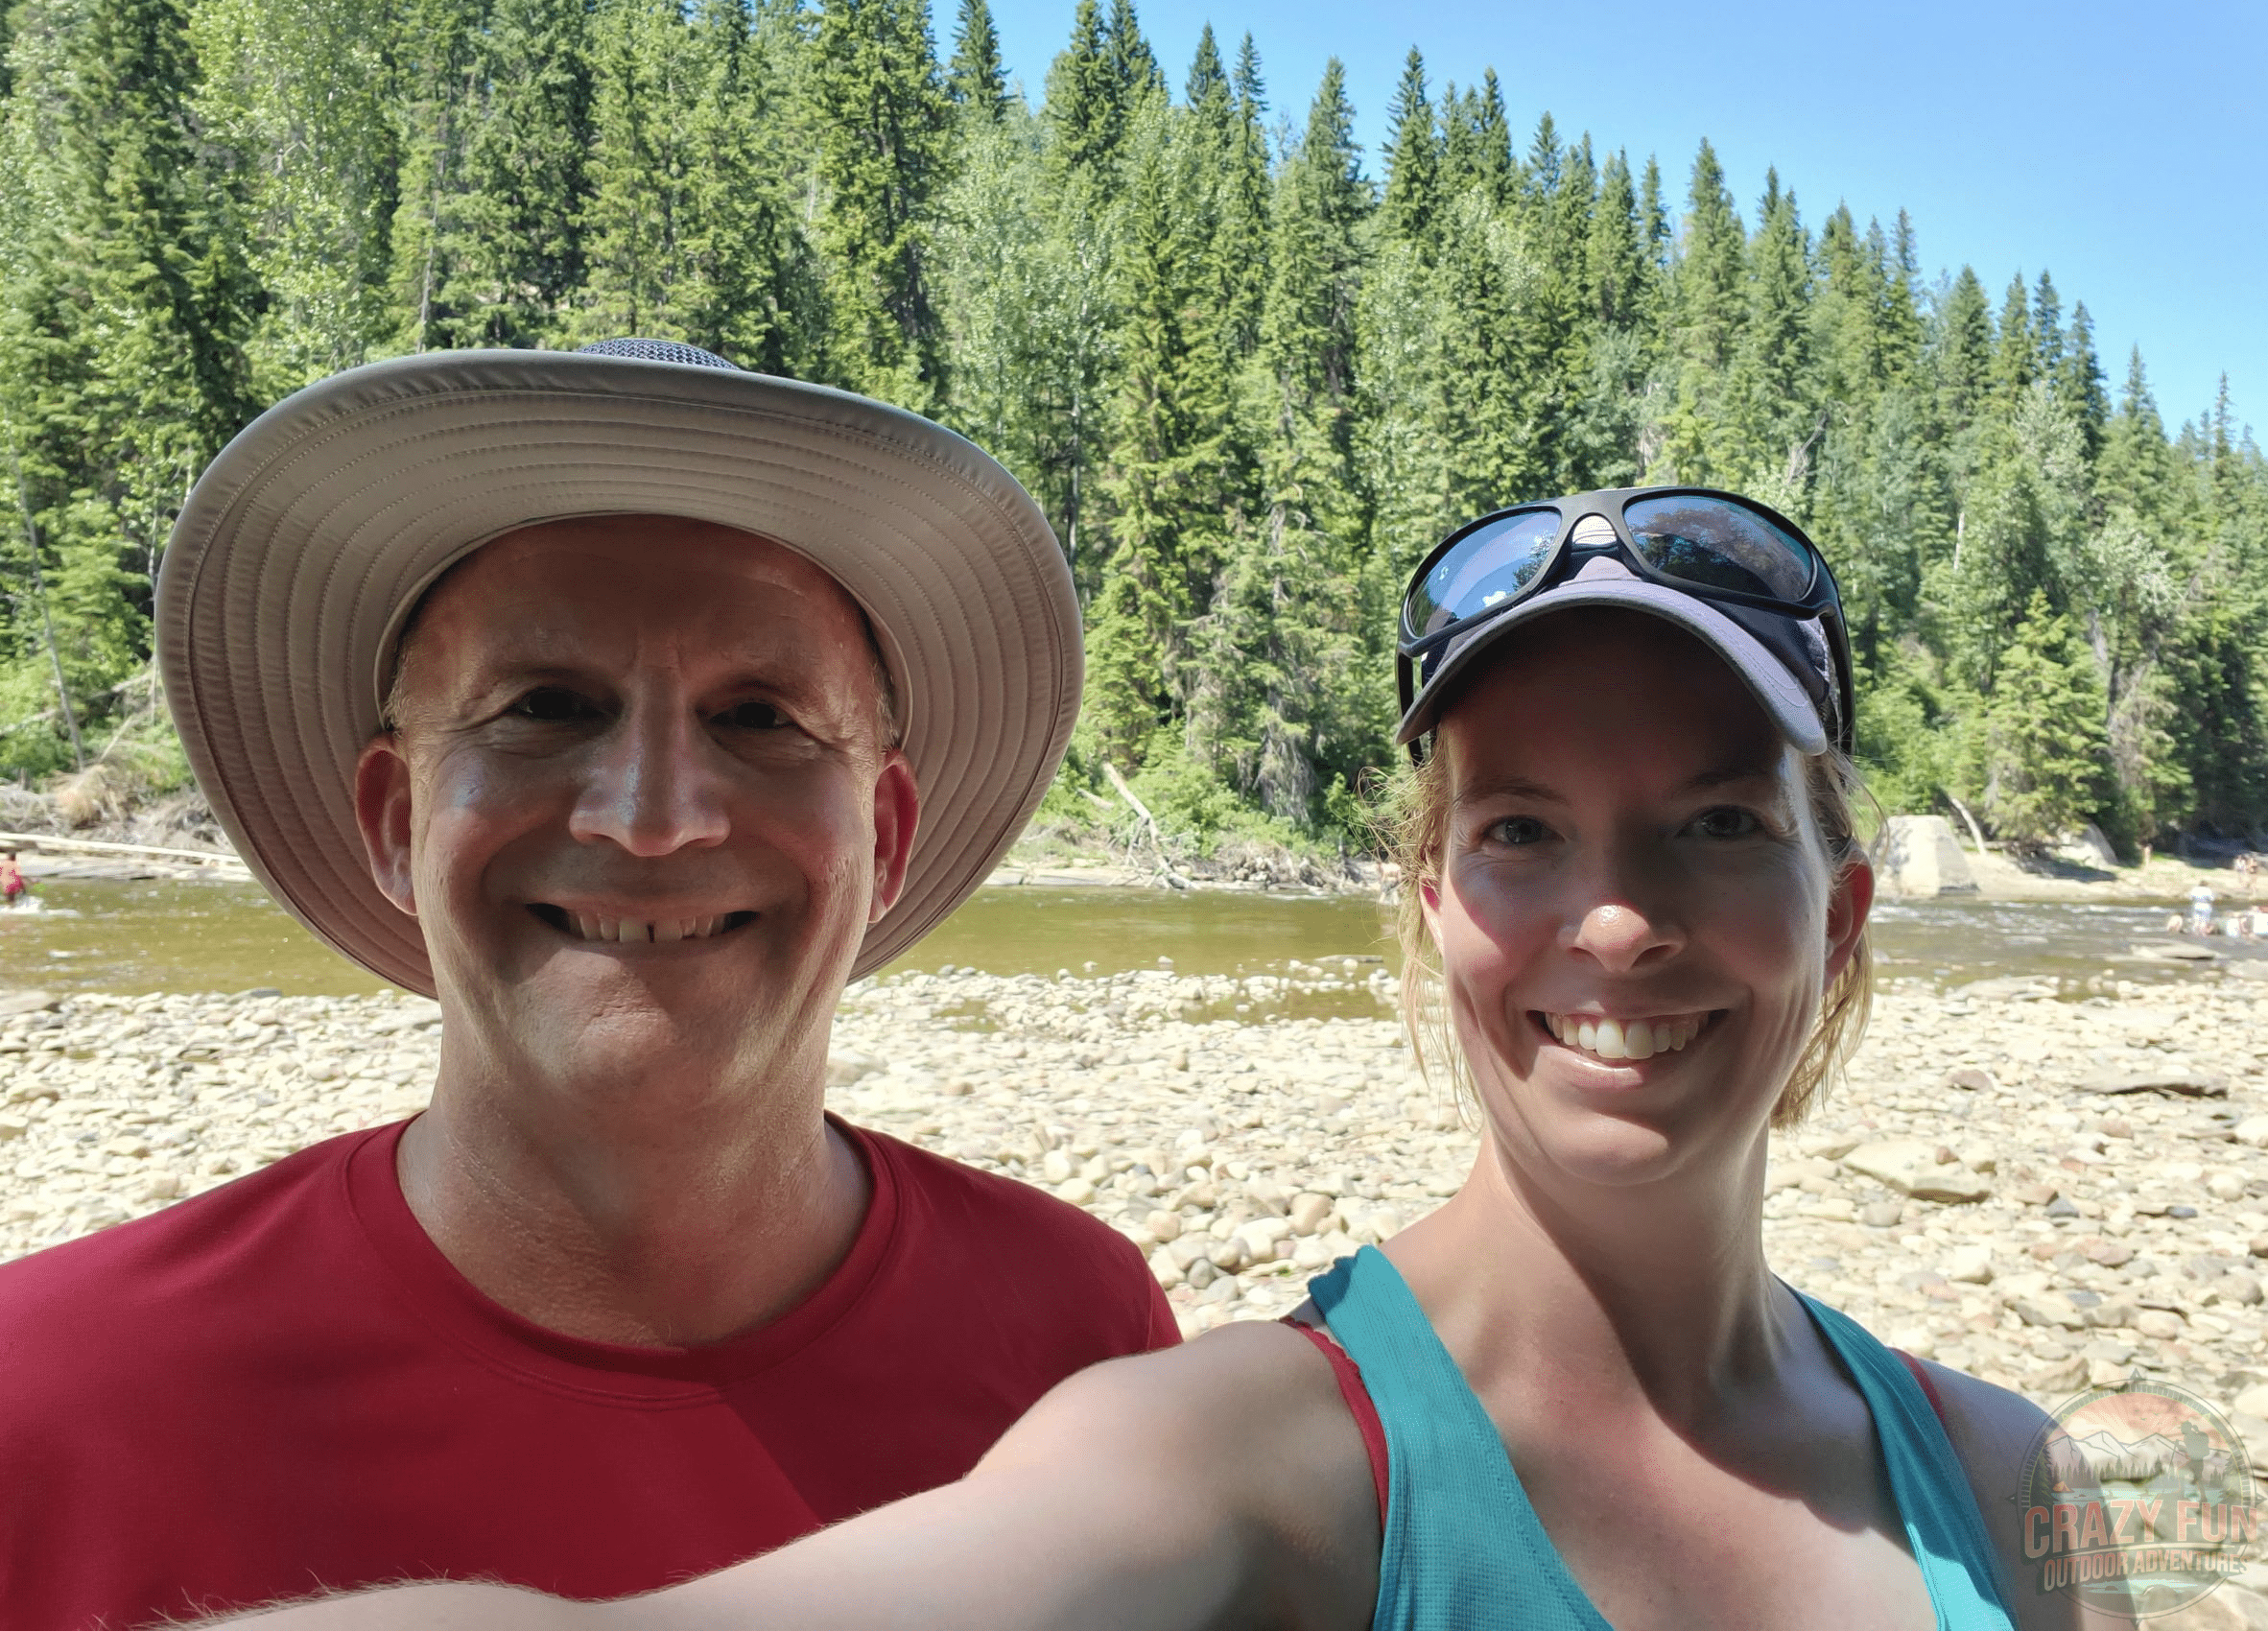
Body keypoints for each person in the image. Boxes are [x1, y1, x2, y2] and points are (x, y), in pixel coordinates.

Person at [225, 489, 2126, 1629]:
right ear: (1430, 906)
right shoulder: (1248, 1458)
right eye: (1524, 832)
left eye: (1714, 826)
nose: (1613, 926)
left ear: (1845, 913)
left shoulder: (2009, 1474)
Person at [0, 340, 1175, 1631]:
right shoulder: (52, 1401)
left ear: (886, 838)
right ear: (393, 819)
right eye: (546, 706)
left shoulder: (1082, 1345)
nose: (652, 818)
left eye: (762, 718)